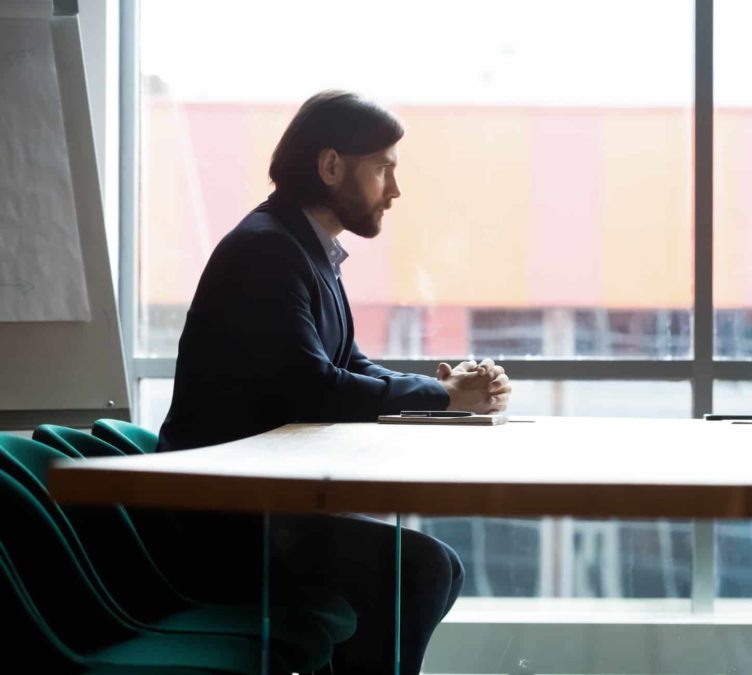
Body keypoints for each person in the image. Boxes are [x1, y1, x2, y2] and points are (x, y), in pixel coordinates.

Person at [158, 90, 512, 674]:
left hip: (261, 507)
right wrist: (447, 398)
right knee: (421, 571)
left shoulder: (300, 247)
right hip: (224, 523)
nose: (394, 191)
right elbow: (316, 387)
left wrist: (448, 390)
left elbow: (349, 363)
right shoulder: (267, 251)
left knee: (427, 569)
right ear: (330, 167)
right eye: (383, 169)